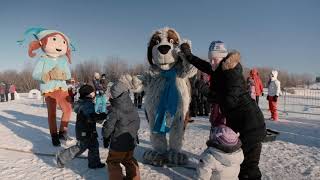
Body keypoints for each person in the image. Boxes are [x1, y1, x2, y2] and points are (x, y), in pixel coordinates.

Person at [180, 40, 266, 180]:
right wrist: (188, 55)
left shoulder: (232, 74)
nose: (212, 62)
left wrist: (204, 89)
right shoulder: (221, 69)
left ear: (224, 58)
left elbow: (228, 101)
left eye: (215, 59)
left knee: (247, 167)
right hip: (241, 123)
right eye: (211, 59)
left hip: (251, 126)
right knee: (238, 163)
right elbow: (205, 65)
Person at [56, 84, 107, 169]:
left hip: (89, 130)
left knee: (94, 146)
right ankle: (61, 157)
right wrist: (102, 116)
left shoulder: (85, 103)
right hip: (85, 131)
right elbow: (91, 116)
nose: (94, 94)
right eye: (93, 92)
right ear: (88, 94)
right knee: (80, 147)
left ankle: (94, 163)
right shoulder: (86, 105)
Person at [102, 81, 140, 180]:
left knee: (113, 162)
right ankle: (135, 177)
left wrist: (105, 137)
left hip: (118, 144)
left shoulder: (115, 110)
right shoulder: (133, 107)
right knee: (129, 160)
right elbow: (137, 123)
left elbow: (108, 127)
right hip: (131, 142)